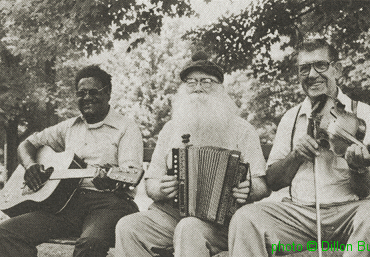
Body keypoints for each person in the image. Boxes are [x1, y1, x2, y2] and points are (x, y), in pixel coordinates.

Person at [228, 39, 370, 257]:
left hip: (349, 212)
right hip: (299, 216)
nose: (311, 75)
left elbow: (365, 190)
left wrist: (359, 168)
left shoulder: (364, 114)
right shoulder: (291, 118)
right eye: (304, 69)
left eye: (320, 65)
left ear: (336, 69)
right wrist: (296, 155)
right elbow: (272, 180)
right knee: (247, 218)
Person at [115, 51, 271, 257]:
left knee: (189, 228)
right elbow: (151, 183)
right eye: (191, 82)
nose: (197, 88)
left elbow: (262, 184)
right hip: (170, 215)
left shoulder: (242, 130)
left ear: (220, 88)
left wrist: (249, 189)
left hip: (223, 222)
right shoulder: (171, 129)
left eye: (206, 82)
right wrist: (161, 188)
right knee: (128, 226)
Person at [0, 65, 143, 257]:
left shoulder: (126, 128)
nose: (87, 97)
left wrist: (110, 180)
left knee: (90, 242)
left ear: (108, 93)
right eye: (81, 93)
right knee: (6, 232)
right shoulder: (68, 127)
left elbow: (129, 174)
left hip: (109, 204)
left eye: (93, 92)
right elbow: (27, 144)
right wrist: (31, 166)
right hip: (65, 203)